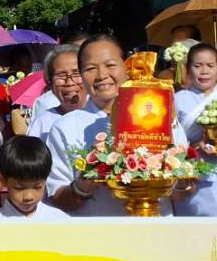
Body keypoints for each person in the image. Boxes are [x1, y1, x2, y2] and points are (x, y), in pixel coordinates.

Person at [45, 34, 190, 218]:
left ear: (126, 67)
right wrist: (83, 185)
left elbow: (181, 193)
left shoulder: (160, 116)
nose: (102, 75)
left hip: (155, 231)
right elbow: (56, 200)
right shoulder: (65, 127)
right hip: (99, 239)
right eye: (90, 68)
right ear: (81, 75)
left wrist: (183, 180)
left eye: (110, 65)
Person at [173, 42, 217, 217]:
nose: (204, 71)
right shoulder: (178, 99)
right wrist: (195, 148)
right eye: (197, 66)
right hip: (195, 176)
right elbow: (172, 140)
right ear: (188, 69)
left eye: (210, 66)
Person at [0, 134, 66, 221]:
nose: (28, 196)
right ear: (3, 180)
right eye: (19, 188)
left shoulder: (60, 220)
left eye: (37, 187)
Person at [26, 45, 84, 140]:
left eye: (76, 73)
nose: (69, 82)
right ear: (50, 82)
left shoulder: (103, 117)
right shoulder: (41, 124)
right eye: (61, 76)